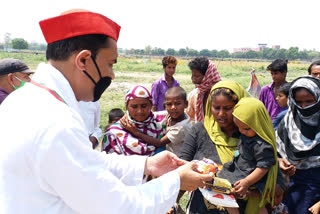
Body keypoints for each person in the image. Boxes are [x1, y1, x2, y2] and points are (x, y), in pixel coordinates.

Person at [0, 9, 214, 214]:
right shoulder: (56, 122)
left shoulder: (24, 99)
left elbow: (86, 162)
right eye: (110, 63)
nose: (111, 75)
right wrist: (176, 181)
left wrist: (147, 164)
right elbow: (118, 207)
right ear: (83, 60)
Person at [180, 80, 286, 214]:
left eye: (228, 108)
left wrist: (252, 190)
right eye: (216, 108)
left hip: (246, 207)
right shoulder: (199, 131)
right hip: (203, 208)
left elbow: (272, 171)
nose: (221, 114)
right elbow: (182, 167)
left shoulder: (253, 134)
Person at [218, 98, 278, 214]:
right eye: (238, 127)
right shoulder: (247, 135)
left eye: (246, 128)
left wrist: (247, 182)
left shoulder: (261, 145)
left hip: (253, 180)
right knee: (228, 197)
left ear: (258, 124)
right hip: (240, 173)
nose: (242, 131)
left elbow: (263, 167)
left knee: (257, 208)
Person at [276, 75, 320, 214]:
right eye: (299, 102)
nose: (304, 107)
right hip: (289, 186)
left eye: (309, 101)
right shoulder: (286, 122)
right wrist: (280, 161)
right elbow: (274, 152)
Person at [103, 85, 168, 155]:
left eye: (144, 106)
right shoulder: (114, 133)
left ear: (151, 105)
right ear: (126, 107)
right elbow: (109, 162)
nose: (139, 111)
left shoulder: (161, 121)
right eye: (134, 106)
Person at [185, 57, 221, 124]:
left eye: (197, 76)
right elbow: (189, 116)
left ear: (207, 76)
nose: (193, 80)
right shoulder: (194, 95)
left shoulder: (222, 94)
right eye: (192, 76)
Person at [163, 86, 190, 157]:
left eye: (177, 104)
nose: (173, 107)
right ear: (165, 106)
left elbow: (159, 143)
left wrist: (136, 133)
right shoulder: (173, 115)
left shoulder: (182, 127)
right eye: (169, 104)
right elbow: (155, 114)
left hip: (179, 160)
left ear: (186, 104)